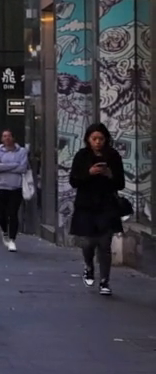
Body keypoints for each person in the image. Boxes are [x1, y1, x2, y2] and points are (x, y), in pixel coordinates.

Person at [68, 122, 126, 296]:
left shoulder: (113, 156)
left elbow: (120, 183)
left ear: (106, 139)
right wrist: (89, 173)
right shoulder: (82, 156)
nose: (98, 142)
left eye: (101, 138)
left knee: (105, 244)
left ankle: (104, 281)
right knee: (88, 243)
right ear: (88, 139)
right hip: (86, 205)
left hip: (106, 205)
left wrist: (110, 175)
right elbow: (74, 181)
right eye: (94, 139)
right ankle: (89, 266)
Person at [0, 129, 29, 251]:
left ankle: (12, 239)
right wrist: (14, 165)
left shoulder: (21, 151)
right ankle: (4, 232)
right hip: (1, 186)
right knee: (2, 214)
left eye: (9, 136)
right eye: (4, 136)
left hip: (16, 187)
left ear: (13, 138)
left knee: (13, 213)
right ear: (2, 138)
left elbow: (23, 168)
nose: (7, 138)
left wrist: (5, 167)